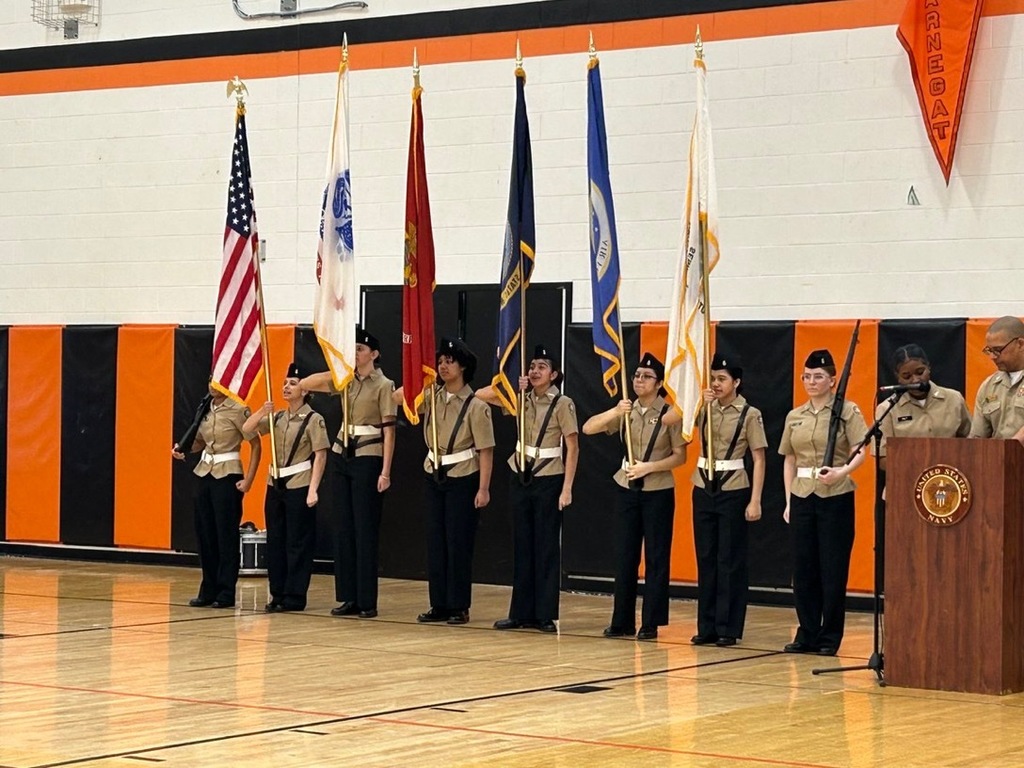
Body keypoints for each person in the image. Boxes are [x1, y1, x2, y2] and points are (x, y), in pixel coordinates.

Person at [582, 352, 686, 641]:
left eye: (646, 377)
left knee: (656, 557)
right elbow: (588, 428)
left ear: (659, 383)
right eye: (637, 376)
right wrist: (616, 412)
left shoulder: (669, 413)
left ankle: (651, 621)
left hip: (657, 489)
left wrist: (649, 467)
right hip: (627, 488)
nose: (639, 381)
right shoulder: (626, 411)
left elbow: (680, 456)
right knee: (625, 555)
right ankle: (622, 620)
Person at [476, 344, 579, 634]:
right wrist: (511, 387)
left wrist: (567, 488)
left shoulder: (563, 404)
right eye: (532, 367)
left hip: (549, 478)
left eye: (541, 367)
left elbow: (572, 447)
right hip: (520, 475)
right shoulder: (520, 399)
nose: (534, 371)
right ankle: (520, 612)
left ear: (554, 374)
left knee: (545, 547)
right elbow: (480, 394)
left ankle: (545, 614)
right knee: (522, 545)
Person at [397, 338, 495, 625]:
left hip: (463, 476)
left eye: (449, 361)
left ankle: (458, 605)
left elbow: (486, 450)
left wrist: (484, 488)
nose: (443, 366)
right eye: (440, 361)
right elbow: (398, 397)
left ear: (463, 366)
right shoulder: (431, 396)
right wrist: (420, 377)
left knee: (458, 543)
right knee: (436, 542)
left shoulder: (476, 405)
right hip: (433, 474)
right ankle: (438, 603)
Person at [300, 328, 396, 619]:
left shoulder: (384, 385)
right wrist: (338, 366)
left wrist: (386, 471)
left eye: (360, 349)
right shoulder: (345, 380)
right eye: (353, 349)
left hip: (368, 456)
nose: (356, 354)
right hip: (342, 454)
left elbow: (389, 432)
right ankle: (348, 597)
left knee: (364, 529)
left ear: (374, 355)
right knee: (343, 528)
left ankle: (367, 600)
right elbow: (308, 383)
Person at [779, 349, 868, 656]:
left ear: (833, 380)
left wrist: (843, 471)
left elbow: (860, 450)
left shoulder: (848, 411)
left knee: (832, 569)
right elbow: (789, 459)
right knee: (803, 569)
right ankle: (806, 632)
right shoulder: (795, 416)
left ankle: (829, 637)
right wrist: (790, 499)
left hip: (835, 494)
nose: (812, 381)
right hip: (803, 493)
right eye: (807, 376)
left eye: (819, 377)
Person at [689, 353, 767, 647]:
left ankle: (728, 626)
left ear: (737, 382)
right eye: (713, 378)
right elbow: (684, 429)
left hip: (734, 487)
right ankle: (706, 624)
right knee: (706, 557)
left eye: (722, 379)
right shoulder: (706, 409)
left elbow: (758, 458)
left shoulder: (749, 414)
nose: (716, 384)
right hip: (703, 484)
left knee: (729, 560)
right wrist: (702, 404)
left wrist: (755, 500)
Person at [243, 363, 329, 613]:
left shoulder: (314, 419)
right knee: (277, 541)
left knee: (297, 543)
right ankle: (277, 593)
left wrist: (313, 490)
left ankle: (294, 595)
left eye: (293, 383)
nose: (287, 387)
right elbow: (247, 429)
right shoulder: (277, 417)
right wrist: (262, 410)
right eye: (285, 383)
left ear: (305, 390)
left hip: (299, 483)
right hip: (275, 483)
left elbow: (320, 456)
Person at [172, 382, 261, 609]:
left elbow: (255, 444)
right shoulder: (206, 407)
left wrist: (249, 480)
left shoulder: (238, 409)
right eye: (211, 379)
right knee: (205, 534)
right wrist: (183, 449)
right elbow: (201, 441)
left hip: (228, 474)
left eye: (218, 380)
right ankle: (208, 589)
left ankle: (225, 591)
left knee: (225, 535)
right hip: (205, 472)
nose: (213, 385)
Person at [875, 344, 970, 472]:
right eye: (907, 376)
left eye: (920, 372)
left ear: (928, 368)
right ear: (898, 377)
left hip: (949, 477)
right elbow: (883, 459)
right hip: (907, 480)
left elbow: (971, 442)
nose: (915, 380)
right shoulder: (887, 409)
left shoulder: (954, 399)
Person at [970, 315, 1024, 441]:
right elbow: (978, 437)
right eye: (989, 350)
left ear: (1020, 344)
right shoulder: (989, 386)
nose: (993, 357)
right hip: (998, 458)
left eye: (998, 350)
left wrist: (1011, 447)